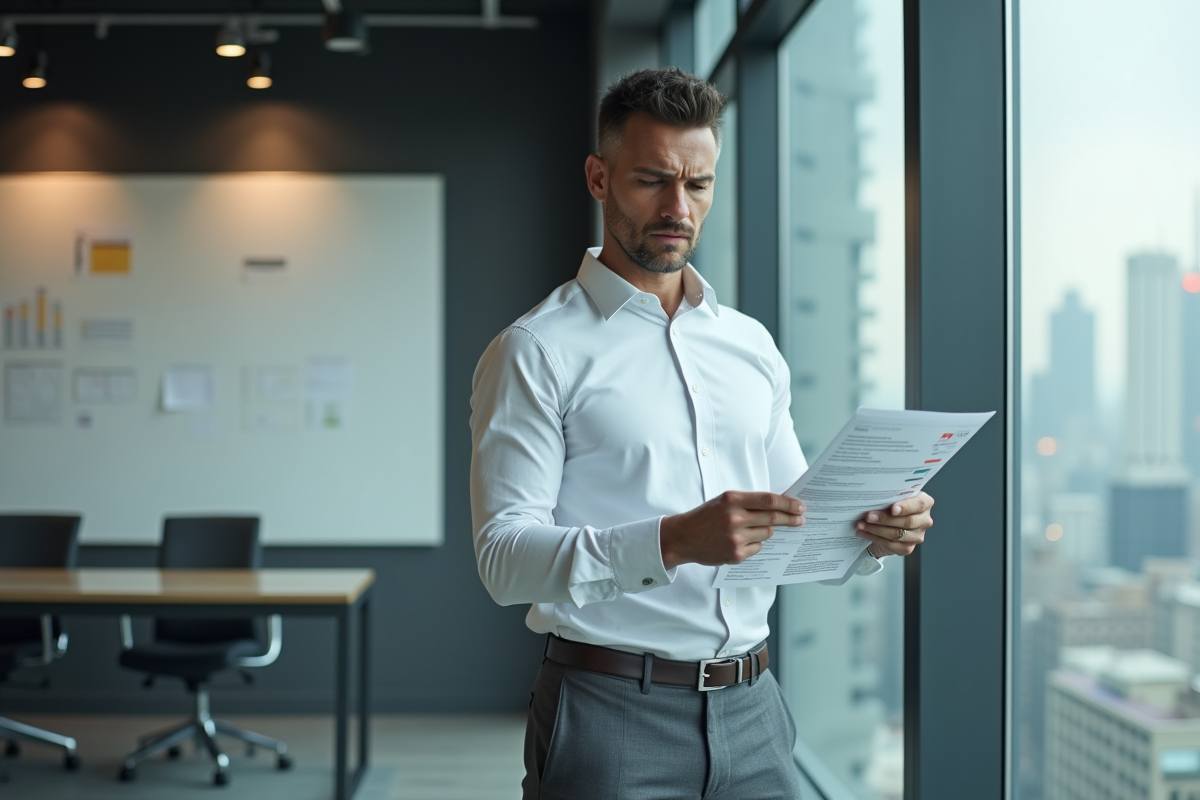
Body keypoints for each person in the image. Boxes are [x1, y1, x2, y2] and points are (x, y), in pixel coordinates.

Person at [470, 67, 934, 800]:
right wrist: (674, 541)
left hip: (755, 710)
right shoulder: (536, 348)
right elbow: (503, 561)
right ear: (598, 177)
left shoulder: (749, 344)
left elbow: (793, 521)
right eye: (652, 180)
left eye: (699, 185)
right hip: (609, 710)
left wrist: (872, 532)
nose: (677, 208)